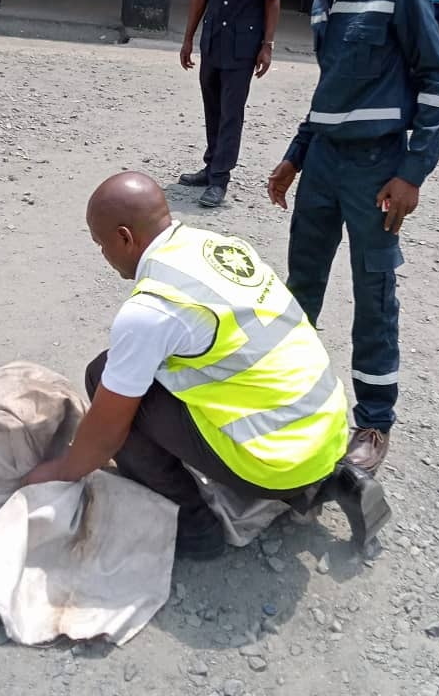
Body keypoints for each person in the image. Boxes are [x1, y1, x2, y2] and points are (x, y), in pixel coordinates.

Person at [25, 171, 391, 560]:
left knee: (104, 376)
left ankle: (193, 526)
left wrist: (60, 471)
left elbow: (105, 435)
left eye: (101, 244)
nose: (103, 255)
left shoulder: (151, 309)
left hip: (275, 460)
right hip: (328, 429)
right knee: (171, 372)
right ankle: (333, 479)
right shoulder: (216, 246)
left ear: (125, 238)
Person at [267, 0, 439, 474]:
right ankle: (289, 391)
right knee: (302, 283)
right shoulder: (324, 0)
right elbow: (332, 93)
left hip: (377, 171)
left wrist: (412, 172)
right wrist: (295, 156)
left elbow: (437, 81)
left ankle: (374, 421)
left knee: (374, 294)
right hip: (323, 164)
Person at [178, 0, 281, 209]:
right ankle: (210, 167)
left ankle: (220, 178)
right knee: (212, 106)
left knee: (231, 113)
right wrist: (188, 37)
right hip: (212, 41)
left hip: (243, 45)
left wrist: (267, 44)